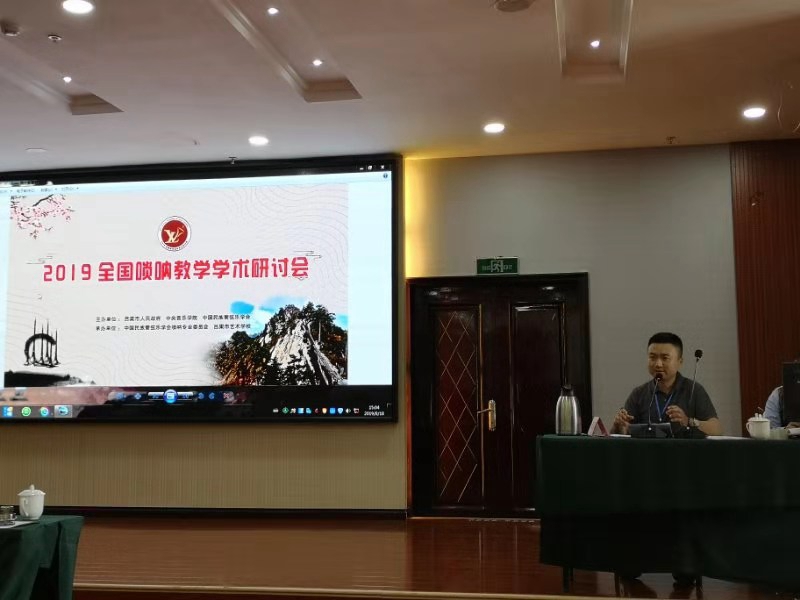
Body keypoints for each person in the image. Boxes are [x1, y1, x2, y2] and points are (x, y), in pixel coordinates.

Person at [611, 332, 722, 437]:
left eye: (665, 358)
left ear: (680, 362)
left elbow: (717, 429)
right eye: (652, 357)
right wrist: (619, 426)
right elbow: (624, 432)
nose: (658, 364)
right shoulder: (639, 393)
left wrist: (688, 421)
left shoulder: (693, 389)